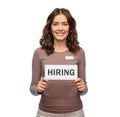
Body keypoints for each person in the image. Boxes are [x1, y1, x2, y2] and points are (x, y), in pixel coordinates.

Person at [30, 8, 88, 117]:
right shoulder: (39, 53)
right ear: (50, 27)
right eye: (55, 24)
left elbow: (84, 88)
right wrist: (38, 89)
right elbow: (33, 88)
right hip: (45, 113)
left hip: (75, 113)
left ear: (70, 27)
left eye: (64, 24)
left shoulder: (79, 52)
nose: (60, 28)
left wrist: (83, 88)